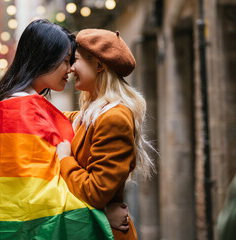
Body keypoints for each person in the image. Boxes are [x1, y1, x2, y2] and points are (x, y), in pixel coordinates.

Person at [0, 20, 125, 239]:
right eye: (65, 61)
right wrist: (102, 215)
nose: (70, 69)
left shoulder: (25, 105)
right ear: (43, 58)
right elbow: (37, 199)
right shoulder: (19, 108)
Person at [57, 29, 155, 240]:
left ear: (99, 65)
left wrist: (65, 159)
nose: (72, 68)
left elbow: (96, 192)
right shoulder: (91, 113)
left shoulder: (114, 118)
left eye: (76, 60)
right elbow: (57, 118)